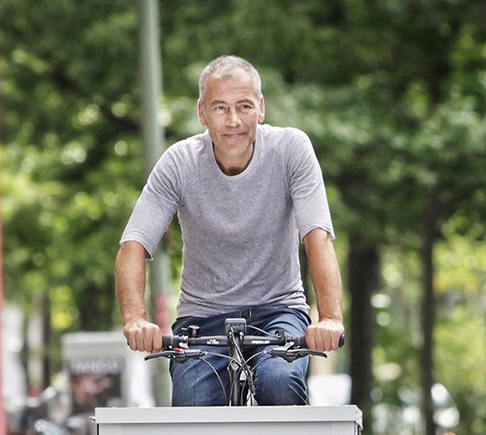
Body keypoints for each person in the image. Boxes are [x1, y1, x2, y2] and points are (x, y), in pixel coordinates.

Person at [117, 55, 344, 405]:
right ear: (202, 113)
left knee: (280, 382)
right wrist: (135, 319)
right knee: (193, 405)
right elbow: (133, 245)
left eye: (244, 106)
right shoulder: (178, 163)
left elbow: (318, 236)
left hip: (278, 309)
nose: (233, 120)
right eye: (220, 108)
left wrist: (328, 318)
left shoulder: (291, 151)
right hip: (203, 316)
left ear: (261, 108)